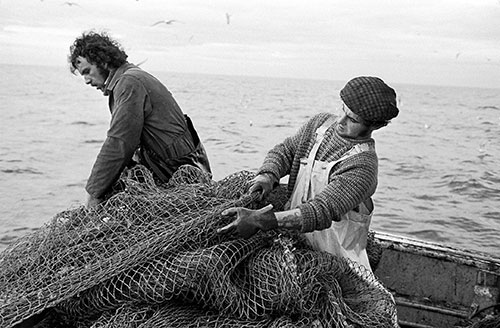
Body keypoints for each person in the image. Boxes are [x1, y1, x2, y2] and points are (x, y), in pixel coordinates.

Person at [218, 76, 399, 271]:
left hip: (338, 262)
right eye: (343, 110)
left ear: (376, 125)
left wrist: (260, 220)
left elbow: (320, 211)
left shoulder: (363, 165)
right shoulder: (319, 125)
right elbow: (286, 151)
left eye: (353, 119)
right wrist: (268, 175)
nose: (341, 121)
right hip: (294, 244)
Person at [68, 31, 211, 208]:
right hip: (182, 170)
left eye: (87, 72)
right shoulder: (129, 78)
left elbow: (119, 142)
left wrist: (93, 193)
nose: (86, 81)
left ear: (103, 61)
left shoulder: (129, 83)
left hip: (182, 178)